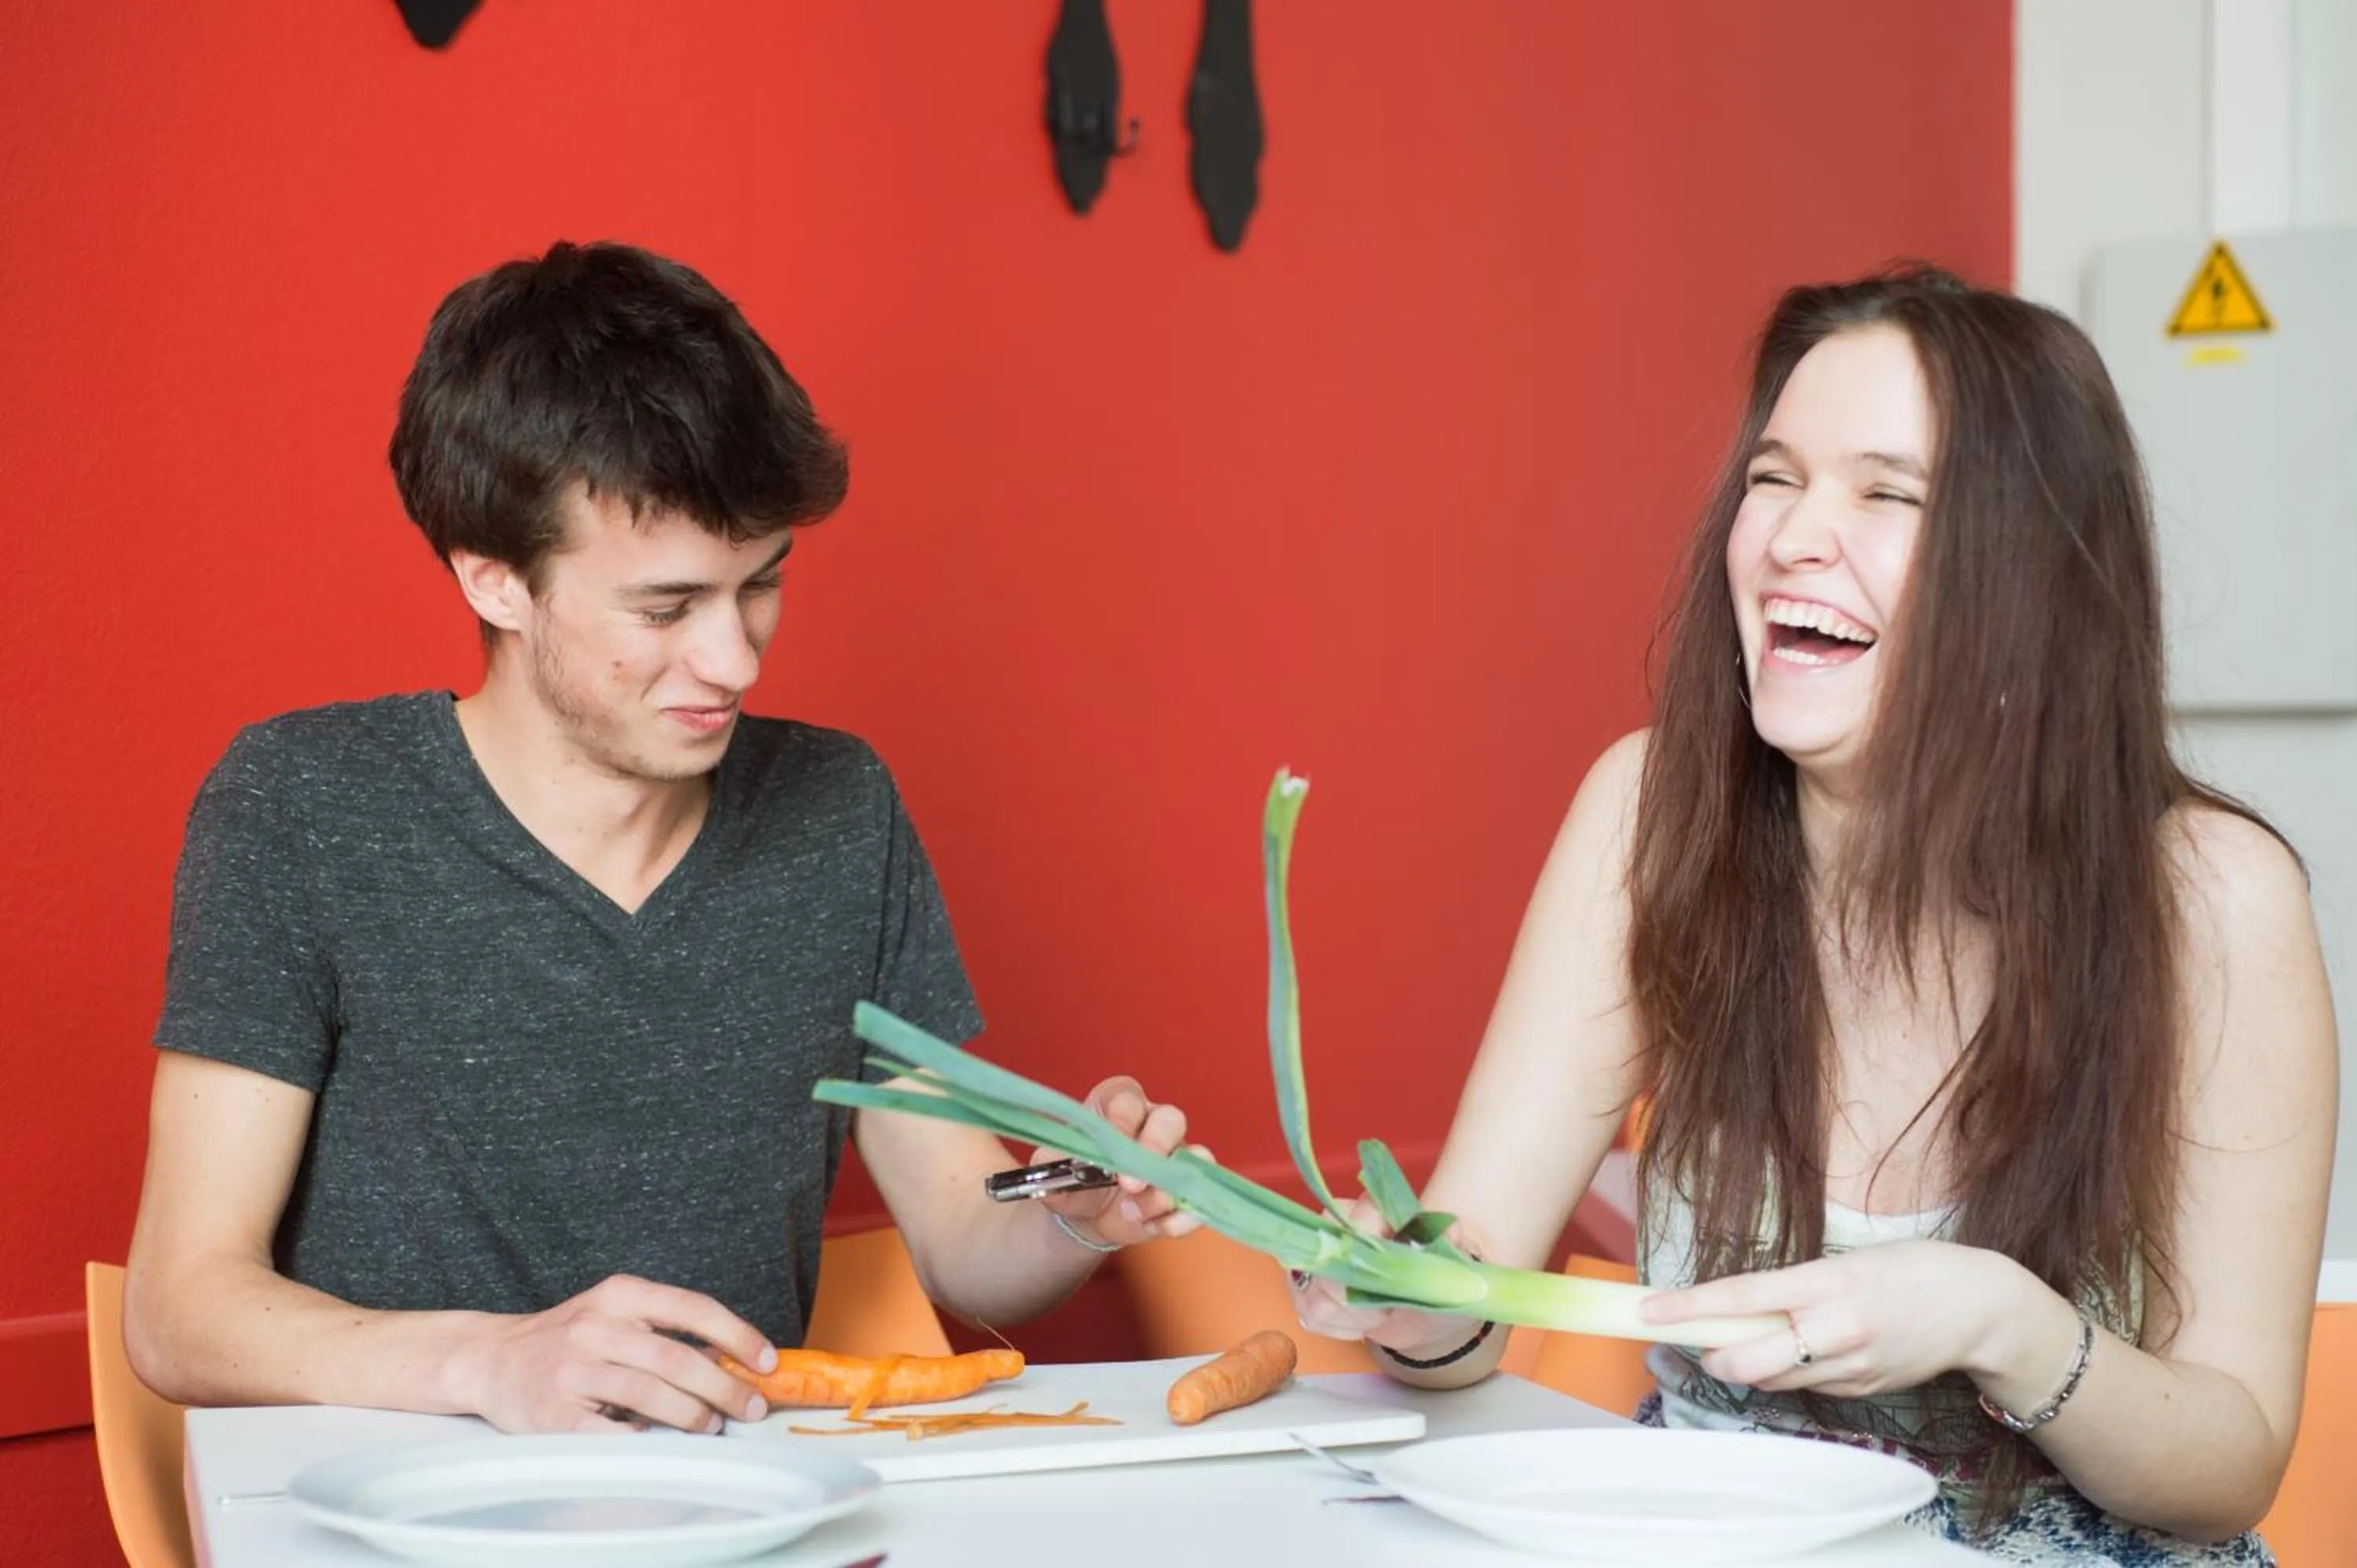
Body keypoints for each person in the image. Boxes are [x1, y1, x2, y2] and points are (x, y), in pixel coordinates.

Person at [1291, 266, 2337, 1563]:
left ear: (2035, 573)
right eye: (1773, 478)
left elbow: (2230, 1468)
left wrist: (2001, 1322)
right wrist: (1411, 1304)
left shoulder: (2213, 898)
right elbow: (1469, 1299)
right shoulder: (1649, 815)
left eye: (1886, 494)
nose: (1792, 537)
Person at [123, 240, 1200, 1437]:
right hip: (401, 1507)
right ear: (494, 581)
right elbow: (179, 1308)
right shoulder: (304, 807)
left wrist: (1071, 1214)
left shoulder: (839, 810)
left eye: (761, 585)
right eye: (667, 606)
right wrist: (494, 1364)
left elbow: (962, 1236)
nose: (734, 662)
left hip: (737, 1508)